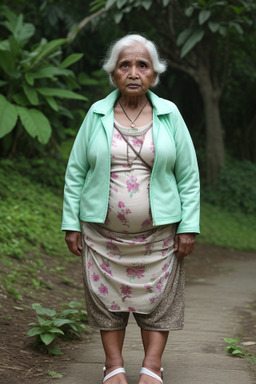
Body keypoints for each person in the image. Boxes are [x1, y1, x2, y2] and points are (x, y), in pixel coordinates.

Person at [62, 33, 200, 384]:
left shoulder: (170, 114)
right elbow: (76, 171)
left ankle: (152, 366)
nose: (134, 72)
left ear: (154, 74)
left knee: (162, 302)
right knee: (106, 301)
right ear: (113, 73)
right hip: (102, 234)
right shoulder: (97, 114)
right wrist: (70, 223)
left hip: (159, 235)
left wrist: (188, 226)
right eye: (125, 65)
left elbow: (188, 175)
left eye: (143, 65)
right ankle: (114, 365)